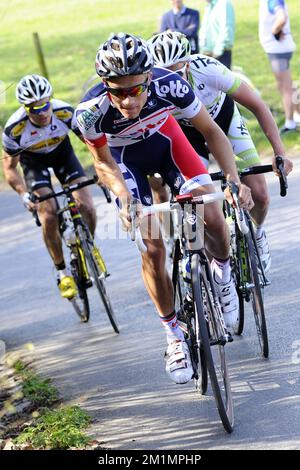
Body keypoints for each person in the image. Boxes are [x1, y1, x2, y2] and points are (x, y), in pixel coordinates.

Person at [75, 32, 253, 385]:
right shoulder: (90, 112)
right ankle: (173, 335)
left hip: (169, 144)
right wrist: (123, 198)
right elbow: (103, 163)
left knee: (213, 214)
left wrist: (231, 179)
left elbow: (211, 132)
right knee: (151, 247)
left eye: (136, 89)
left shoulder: (171, 86)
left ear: (149, 78)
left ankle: (222, 272)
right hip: (127, 162)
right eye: (118, 91)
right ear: (105, 86)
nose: (127, 101)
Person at [148, 31, 293, 273]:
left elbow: (257, 105)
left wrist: (279, 153)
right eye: (162, 73)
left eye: (175, 71)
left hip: (224, 123)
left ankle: (256, 234)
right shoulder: (153, 89)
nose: (168, 79)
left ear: (187, 63)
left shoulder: (208, 69)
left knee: (260, 193)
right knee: (198, 201)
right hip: (189, 135)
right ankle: (209, 265)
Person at [2, 74, 97, 300]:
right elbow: (10, 169)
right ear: (26, 109)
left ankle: (88, 247)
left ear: (50, 100)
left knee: (88, 206)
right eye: (34, 109)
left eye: (45, 105)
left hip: (64, 157)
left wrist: (101, 170)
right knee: (49, 214)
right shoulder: (14, 130)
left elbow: (92, 143)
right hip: (34, 164)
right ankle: (61, 271)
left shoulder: (65, 112)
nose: (42, 112)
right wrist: (24, 194)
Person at [259, 0, 300, 134]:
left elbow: (282, 17)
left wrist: (275, 31)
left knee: (285, 87)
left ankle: (290, 123)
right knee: (287, 84)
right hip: (278, 49)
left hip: (278, 50)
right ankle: (297, 116)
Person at [199, 0, 235, 69]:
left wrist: (217, 53)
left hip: (219, 56)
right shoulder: (209, 5)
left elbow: (226, 29)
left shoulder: (224, 3)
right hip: (207, 55)